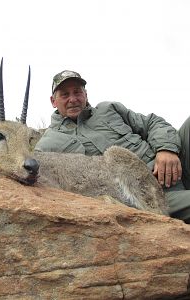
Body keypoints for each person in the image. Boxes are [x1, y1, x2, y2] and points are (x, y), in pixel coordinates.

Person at [35, 70, 190, 223]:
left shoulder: (108, 109)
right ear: (53, 101)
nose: (73, 99)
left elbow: (152, 123)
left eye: (77, 92)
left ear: (86, 94)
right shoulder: (47, 145)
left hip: (176, 164)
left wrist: (166, 149)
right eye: (65, 95)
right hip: (152, 195)